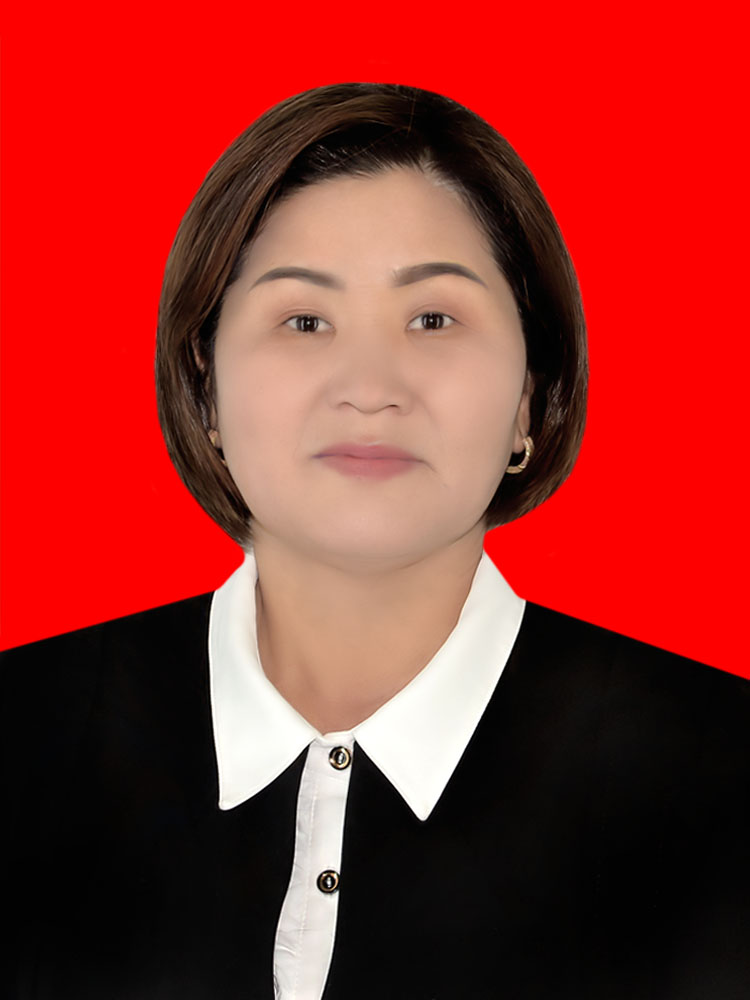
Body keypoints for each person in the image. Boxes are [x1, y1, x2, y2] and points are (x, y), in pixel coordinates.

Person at [2, 83, 748, 1000]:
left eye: (433, 319)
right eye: (304, 321)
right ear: (205, 388)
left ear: (529, 394)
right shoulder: (24, 738)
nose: (368, 387)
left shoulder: (720, 780)